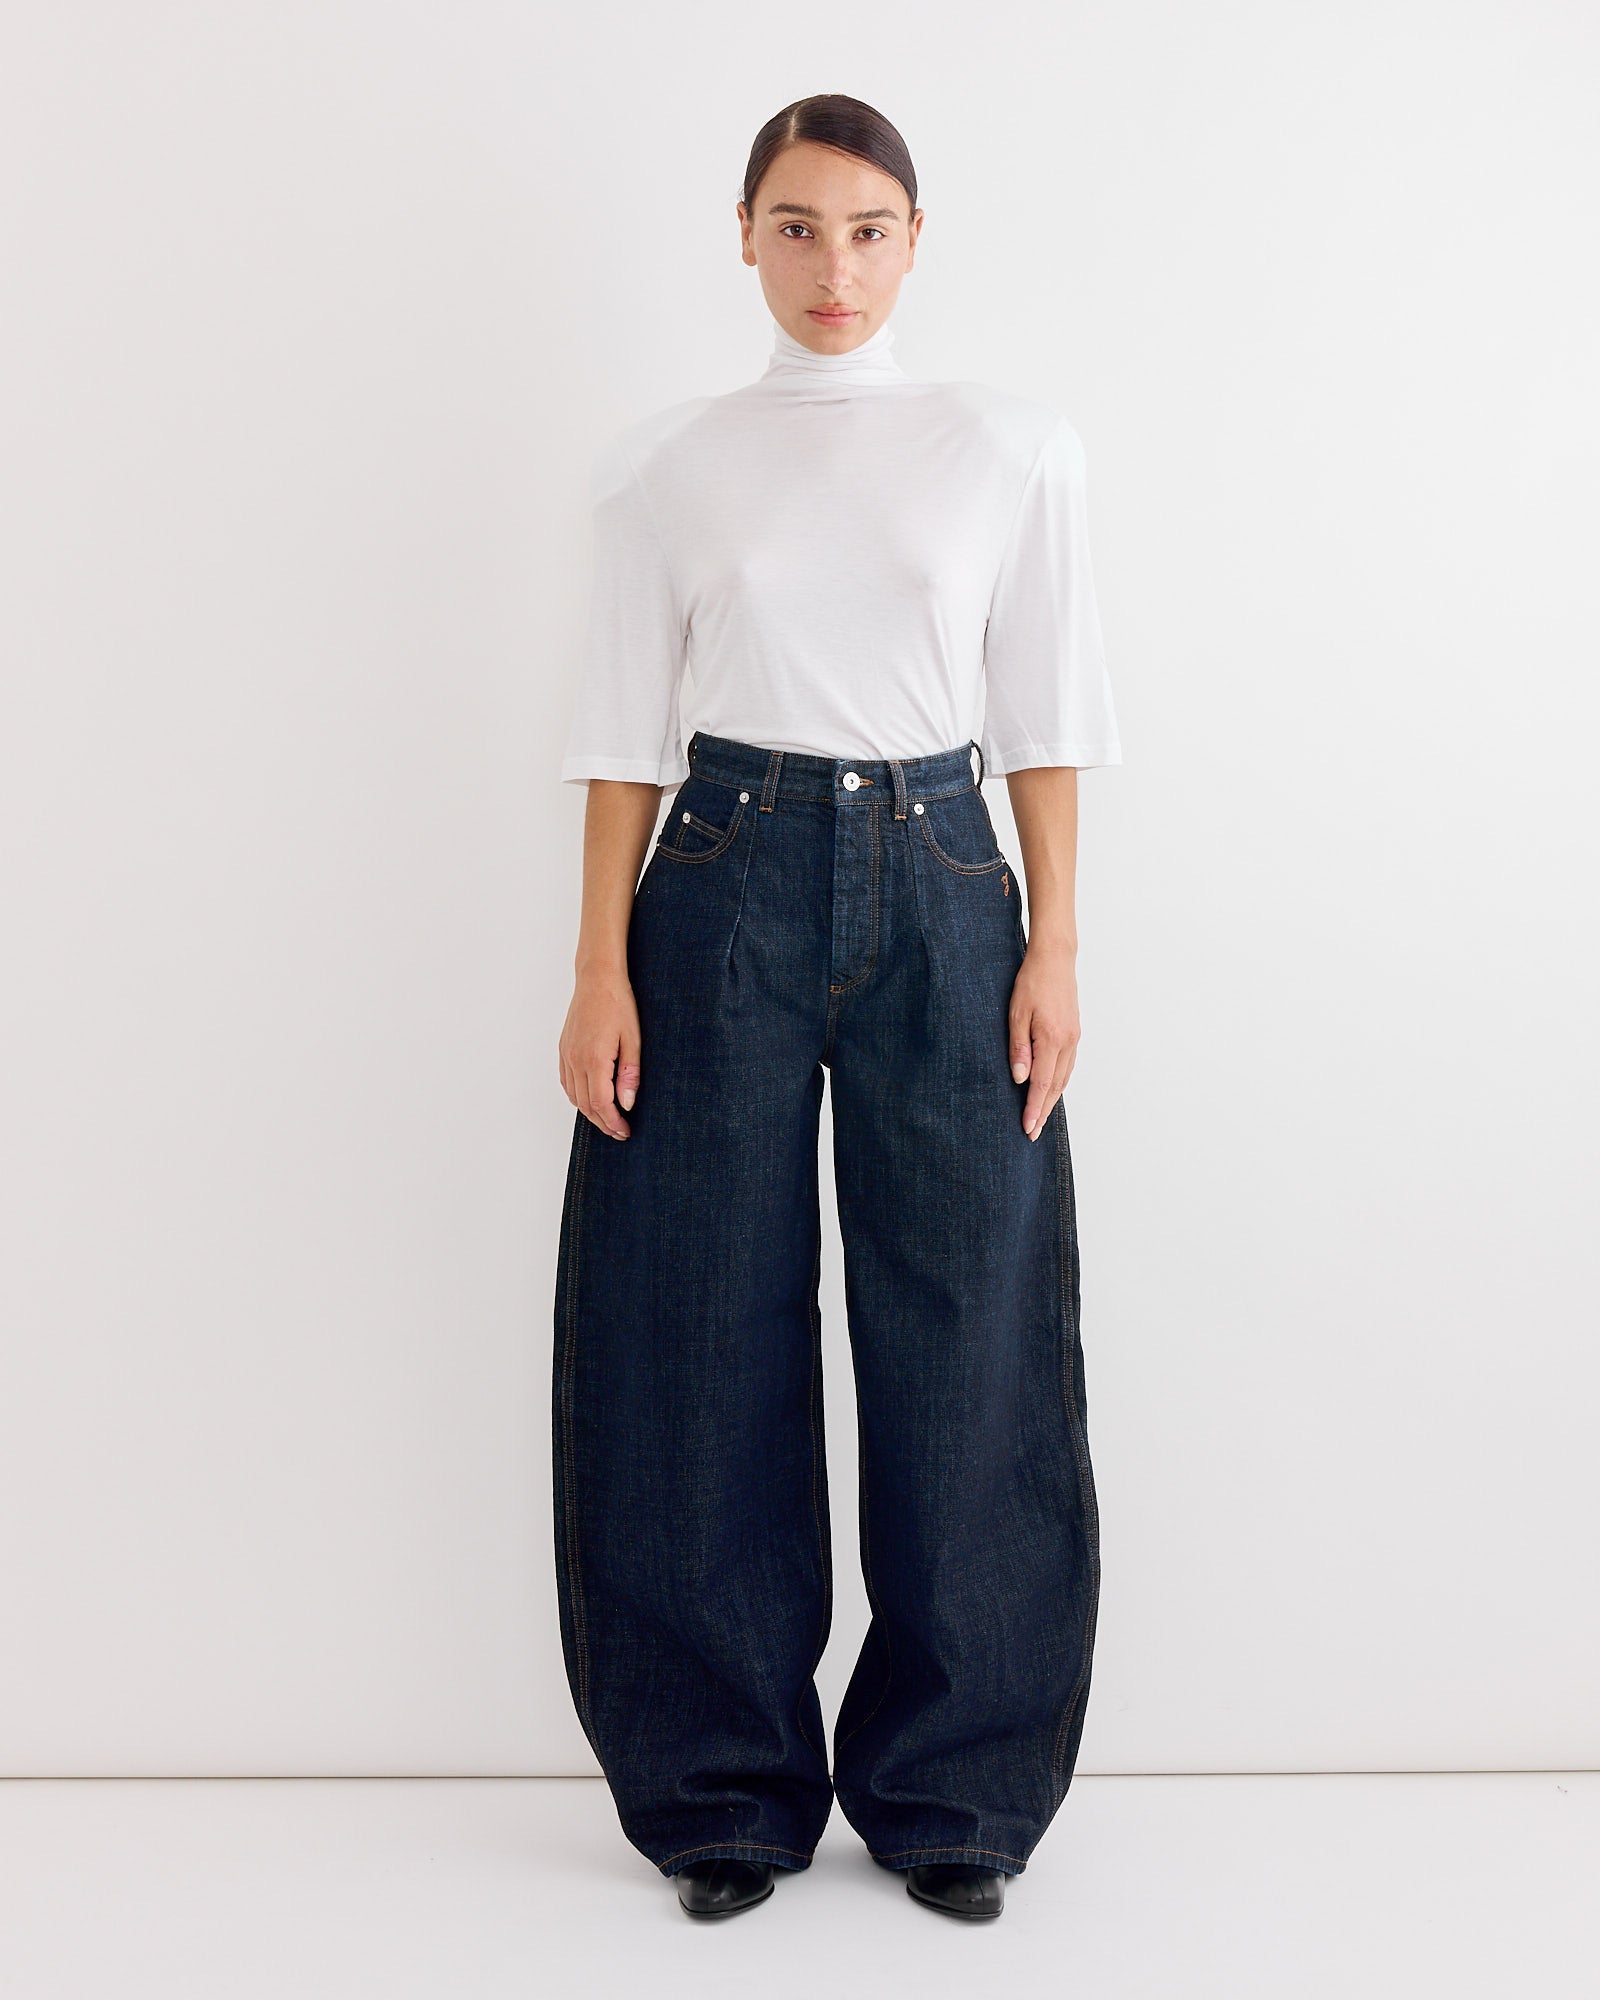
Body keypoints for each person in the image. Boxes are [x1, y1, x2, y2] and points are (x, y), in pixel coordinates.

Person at [553, 93, 1121, 1924]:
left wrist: (1057, 939)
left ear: (918, 236)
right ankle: (721, 1788)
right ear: (742, 237)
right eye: (798, 228)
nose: (835, 267)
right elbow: (621, 736)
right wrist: (593, 966)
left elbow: (1045, 710)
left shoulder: (1010, 448)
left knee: (969, 1322)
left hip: (954, 880)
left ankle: (956, 1793)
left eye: (869, 228)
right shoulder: (665, 462)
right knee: (692, 1318)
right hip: (719, 871)